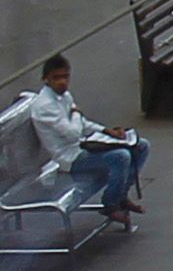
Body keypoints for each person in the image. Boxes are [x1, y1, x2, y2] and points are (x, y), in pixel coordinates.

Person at [15, 57, 145, 226]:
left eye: (65, 77)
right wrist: (76, 113)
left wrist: (106, 131)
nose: (62, 82)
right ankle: (111, 204)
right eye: (56, 78)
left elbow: (82, 123)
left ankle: (121, 195)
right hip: (69, 159)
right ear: (45, 79)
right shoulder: (45, 106)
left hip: (81, 147)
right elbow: (73, 133)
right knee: (121, 157)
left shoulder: (64, 96)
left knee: (141, 146)